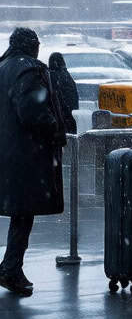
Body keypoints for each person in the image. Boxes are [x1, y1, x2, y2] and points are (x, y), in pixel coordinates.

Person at [0, 28, 66, 296]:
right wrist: (54, 129)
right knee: (23, 213)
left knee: (19, 212)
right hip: (24, 154)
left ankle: (11, 267)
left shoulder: (3, 67)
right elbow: (32, 111)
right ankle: (11, 268)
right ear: (31, 46)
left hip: (7, 150)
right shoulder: (27, 70)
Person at [46, 52, 79, 135]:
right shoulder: (67, 76)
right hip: (68, 117)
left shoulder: (49, 76)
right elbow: (73, 98)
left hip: (55, 118)